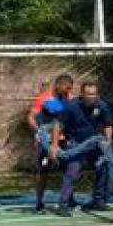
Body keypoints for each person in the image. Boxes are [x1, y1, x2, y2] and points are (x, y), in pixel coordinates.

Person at [49, 82, 113, 216]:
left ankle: (98, 201)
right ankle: (64, 204)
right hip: (75, 143)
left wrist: (108, 142)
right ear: (82, 94)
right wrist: (54, 145)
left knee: (103, 166)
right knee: (73, 170)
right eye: (88, 94)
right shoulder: (71, 106)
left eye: (94, 94)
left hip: (93, 143)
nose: (91, 97)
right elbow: (58, 124)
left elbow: (108, 124)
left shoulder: (102, 106)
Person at [29, 75, 75, 213]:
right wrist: (40, 131)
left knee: (70, 169)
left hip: (63, 140)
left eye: (70, 89)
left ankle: (68, 201)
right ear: (58, 86)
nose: (68, 91)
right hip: (45, 142)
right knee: (43, 172)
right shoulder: (44, 98)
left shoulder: (68, 101)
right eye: (66, 88)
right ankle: (39, 203)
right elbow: (30, 117)